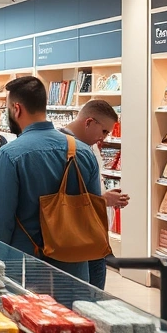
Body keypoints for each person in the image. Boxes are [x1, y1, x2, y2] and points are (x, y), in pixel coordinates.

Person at [0, 76, 102, 282]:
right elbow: (95, 218)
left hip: (26, 271)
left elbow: (0, 224)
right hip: (75, 273)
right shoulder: (84, 152)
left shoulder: (9, 155)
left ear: (16, 109)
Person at [60, 99, 130, 289]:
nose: (105, 138)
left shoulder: (89, 147)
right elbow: (67, 198)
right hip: (79, 239)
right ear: (89, 122)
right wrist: (104, 199)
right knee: (88, 294)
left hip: (93, 236)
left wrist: (105, 196)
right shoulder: (64, 148)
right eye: (104, 131)